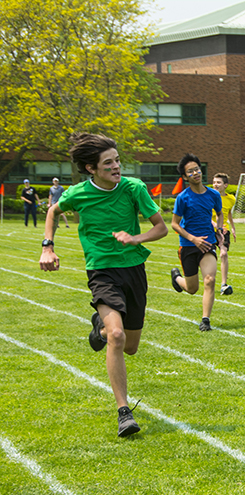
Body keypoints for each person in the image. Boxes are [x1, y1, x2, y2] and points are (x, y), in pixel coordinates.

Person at [38, 132, 168, 437]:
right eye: (108, 163)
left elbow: (160, 228)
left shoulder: (133, 188)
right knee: (118, 336)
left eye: (117, 160)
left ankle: (99, 325)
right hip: (102, 270)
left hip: (134, 269)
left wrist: (136, 238)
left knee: (131, 347)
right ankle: (124, 412)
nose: (116, 167)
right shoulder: (78, 193)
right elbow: (53, 211)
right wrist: (48, 246)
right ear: (90, 168)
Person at [169, 154, 223, 332]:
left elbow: (219, 213)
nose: (195, 173)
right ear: (185, 177)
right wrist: (193, 239)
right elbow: (174, 224)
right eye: (190, 171)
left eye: (197, 169)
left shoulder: (213, 194)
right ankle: (177, 279)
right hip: (188, 245)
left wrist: (219, 230)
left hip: (207, 244)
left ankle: (205, 320)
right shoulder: (183, 198)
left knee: (210, 279)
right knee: (192, 289)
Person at [211, 173, 235, 295]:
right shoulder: (208, 196)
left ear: (225, 185)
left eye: (218, 182)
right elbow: (205, 214)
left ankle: (223, 284)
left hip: (223, 230)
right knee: (208, 257)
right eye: (214, 182)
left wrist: (233, 228)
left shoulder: (231, 199)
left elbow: (228, 212)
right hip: (208, 230)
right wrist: (216, 226)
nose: (215, 184)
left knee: (223, 254)